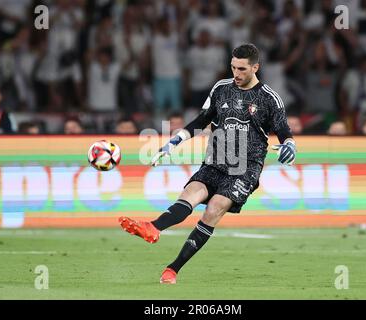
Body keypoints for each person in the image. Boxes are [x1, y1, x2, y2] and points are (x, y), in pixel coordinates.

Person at [118, 44, 296, 284]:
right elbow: (201, 121)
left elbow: (284, 130)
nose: (236, 73)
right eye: (233, 67)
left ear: (255, 67)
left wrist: (289, 146)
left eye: (242, 69)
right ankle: (153, 227)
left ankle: (173, 268)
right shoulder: (221, 88)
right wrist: (172, 143)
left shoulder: (269, 98)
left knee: (214, 208)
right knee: (189, 195)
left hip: (245, 168)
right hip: (215, 160)